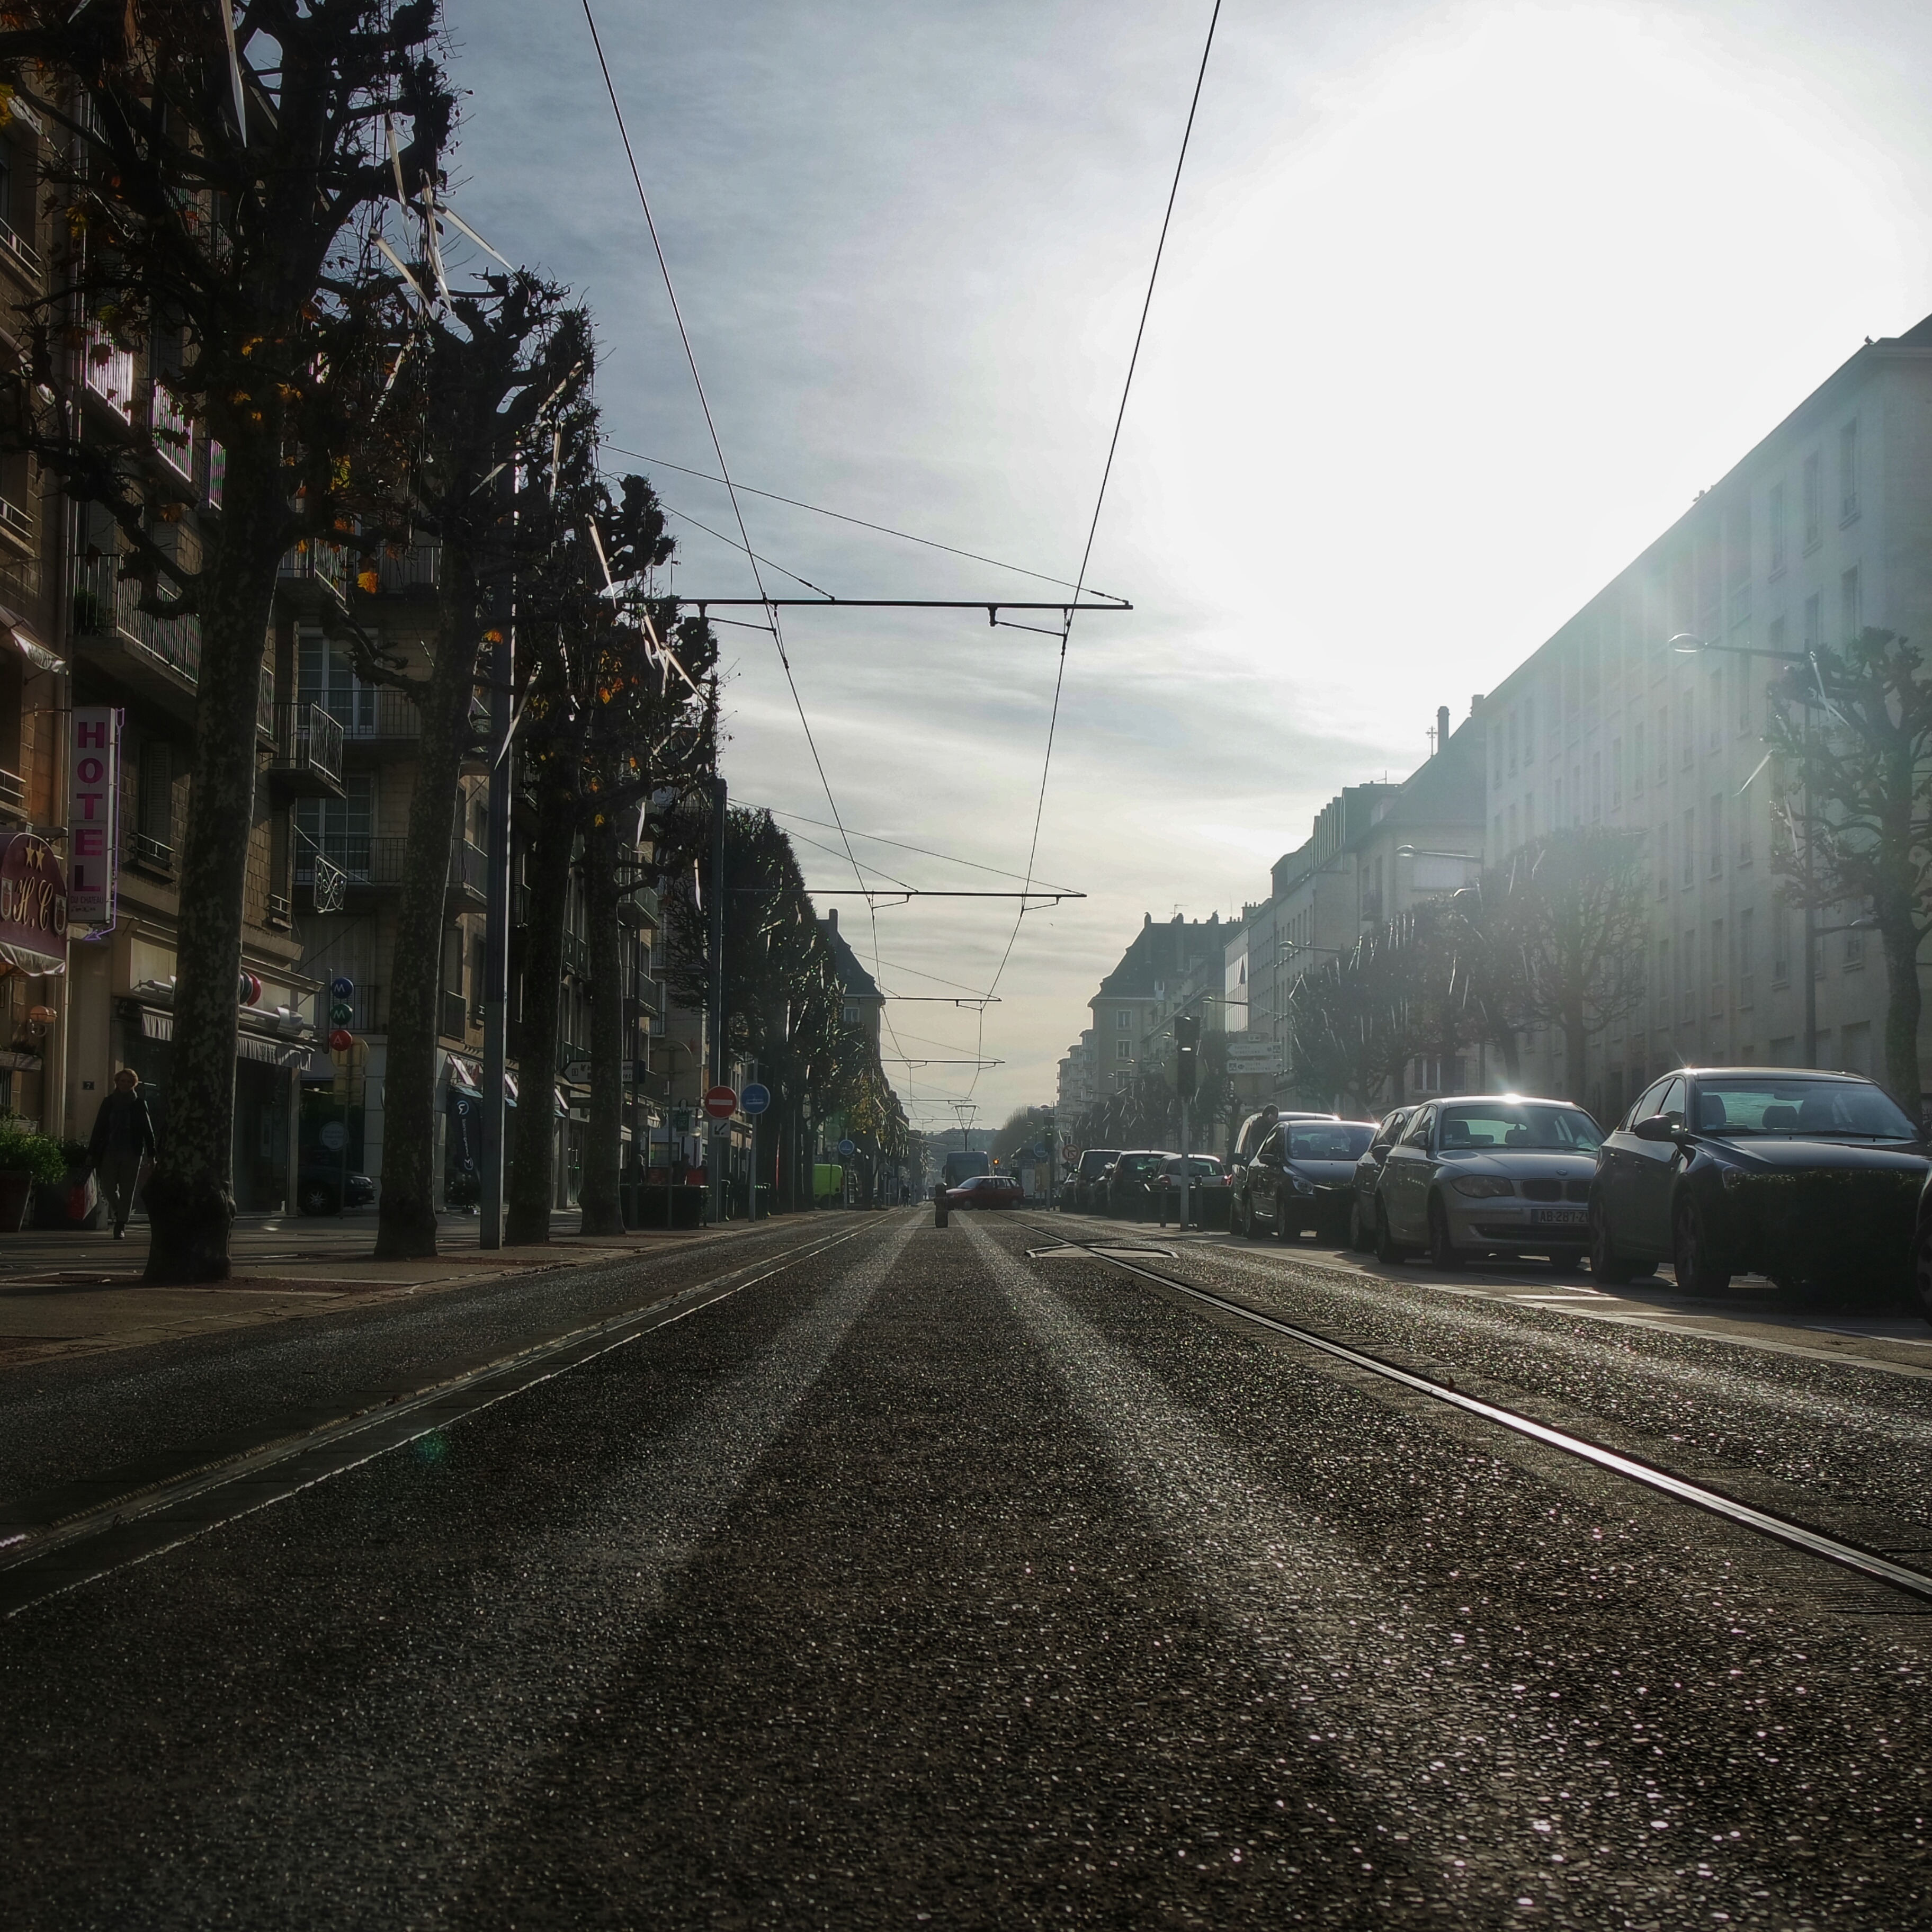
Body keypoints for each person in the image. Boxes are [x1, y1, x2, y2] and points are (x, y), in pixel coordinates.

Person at [88, 1068, 157, 1240]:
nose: (125, 1084)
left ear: (133, 1084)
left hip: (131, 1152)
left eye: (128, 1082)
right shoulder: (109, 1103)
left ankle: (121, 1225)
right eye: (122, 1081)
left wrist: (152, 1154)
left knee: (127, 1190)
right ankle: (121, 1212)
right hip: (110, 1150)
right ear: (117, 1083)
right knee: (108, 1188)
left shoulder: (139, 1104)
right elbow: (99, 1128)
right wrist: (91, 1152)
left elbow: (147, 1131)